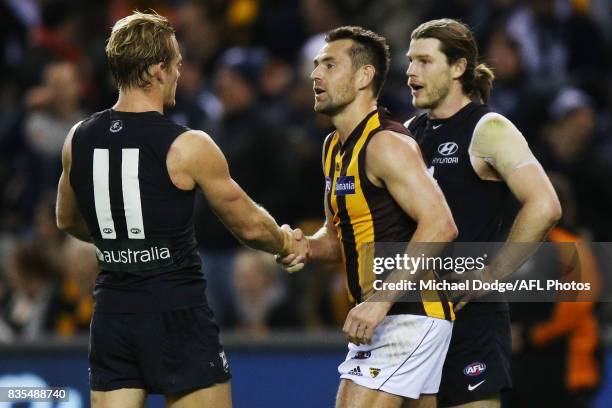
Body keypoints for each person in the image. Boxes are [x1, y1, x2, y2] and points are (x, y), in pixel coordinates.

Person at [55, 11, 307, 408]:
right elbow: (249, 226)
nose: (177, 73)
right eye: (175, 64)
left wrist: (121, 243)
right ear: (157, 69)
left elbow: (66, 219)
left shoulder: (78, 138)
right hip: (176, 313)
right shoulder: (187, 145)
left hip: (112, 316)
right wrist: (284, 242)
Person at [279, 26, 458, 408]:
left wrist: (380, 300)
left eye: (329, 64)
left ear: (364, 76)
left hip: (406, 313)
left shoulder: (385, 144)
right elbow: (338, 237)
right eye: (314, 66)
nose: (315, 75)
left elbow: (441, 223)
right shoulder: (333, 147)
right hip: (391, 317)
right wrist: (304, 247)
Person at [404, 19, 562, 408]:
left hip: (469, 316)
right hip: (413, 316)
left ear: (458, 68)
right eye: (410, 61)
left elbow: (545, 205)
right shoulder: (408, 132)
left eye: (424, 61)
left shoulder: (488, 127)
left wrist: (492, 273)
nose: (410, 72)